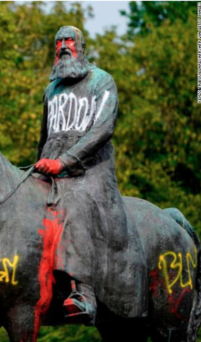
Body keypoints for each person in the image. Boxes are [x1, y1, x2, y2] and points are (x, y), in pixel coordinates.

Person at [34, 26, 147, 325]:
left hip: (91, 174)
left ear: (81, 46)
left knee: (74, 202)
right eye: (58, 42)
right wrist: (39, 167)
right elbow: (45, 137)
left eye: (69, 41)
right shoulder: (51, 90)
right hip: (54, 171)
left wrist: (65, 162)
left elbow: (103, 130)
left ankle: (83, 293)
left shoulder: (102, 81)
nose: (63, 46)